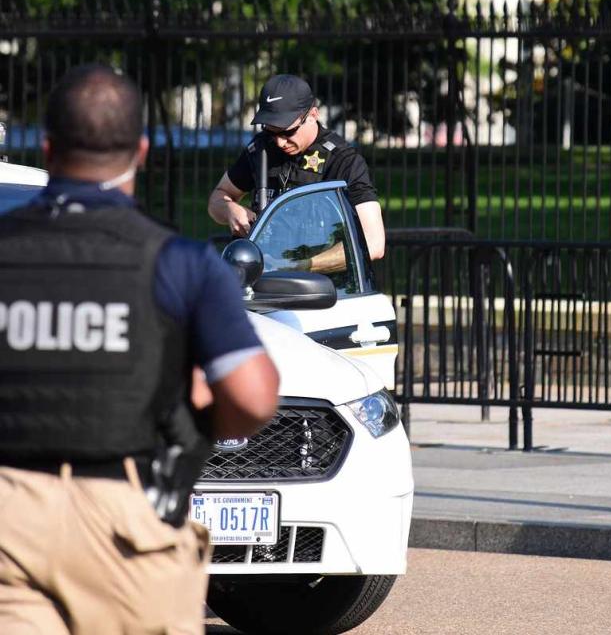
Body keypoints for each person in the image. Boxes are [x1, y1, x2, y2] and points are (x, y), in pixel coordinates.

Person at [0, 65, 279, 635]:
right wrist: (199, 418)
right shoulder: (179, 262)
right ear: (142, 151)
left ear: (48, 149)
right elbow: (253, 398)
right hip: (129, 512)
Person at [207, 74, 385, 273]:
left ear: (313, 115)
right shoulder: (261, 148)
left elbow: (374, 243)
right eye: (271, 131)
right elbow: (218, 197)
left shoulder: (344, 161)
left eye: (287, 132)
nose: (279, 142)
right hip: (259, 280)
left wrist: (300, 266)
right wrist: (230, 210)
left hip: (320, 289)